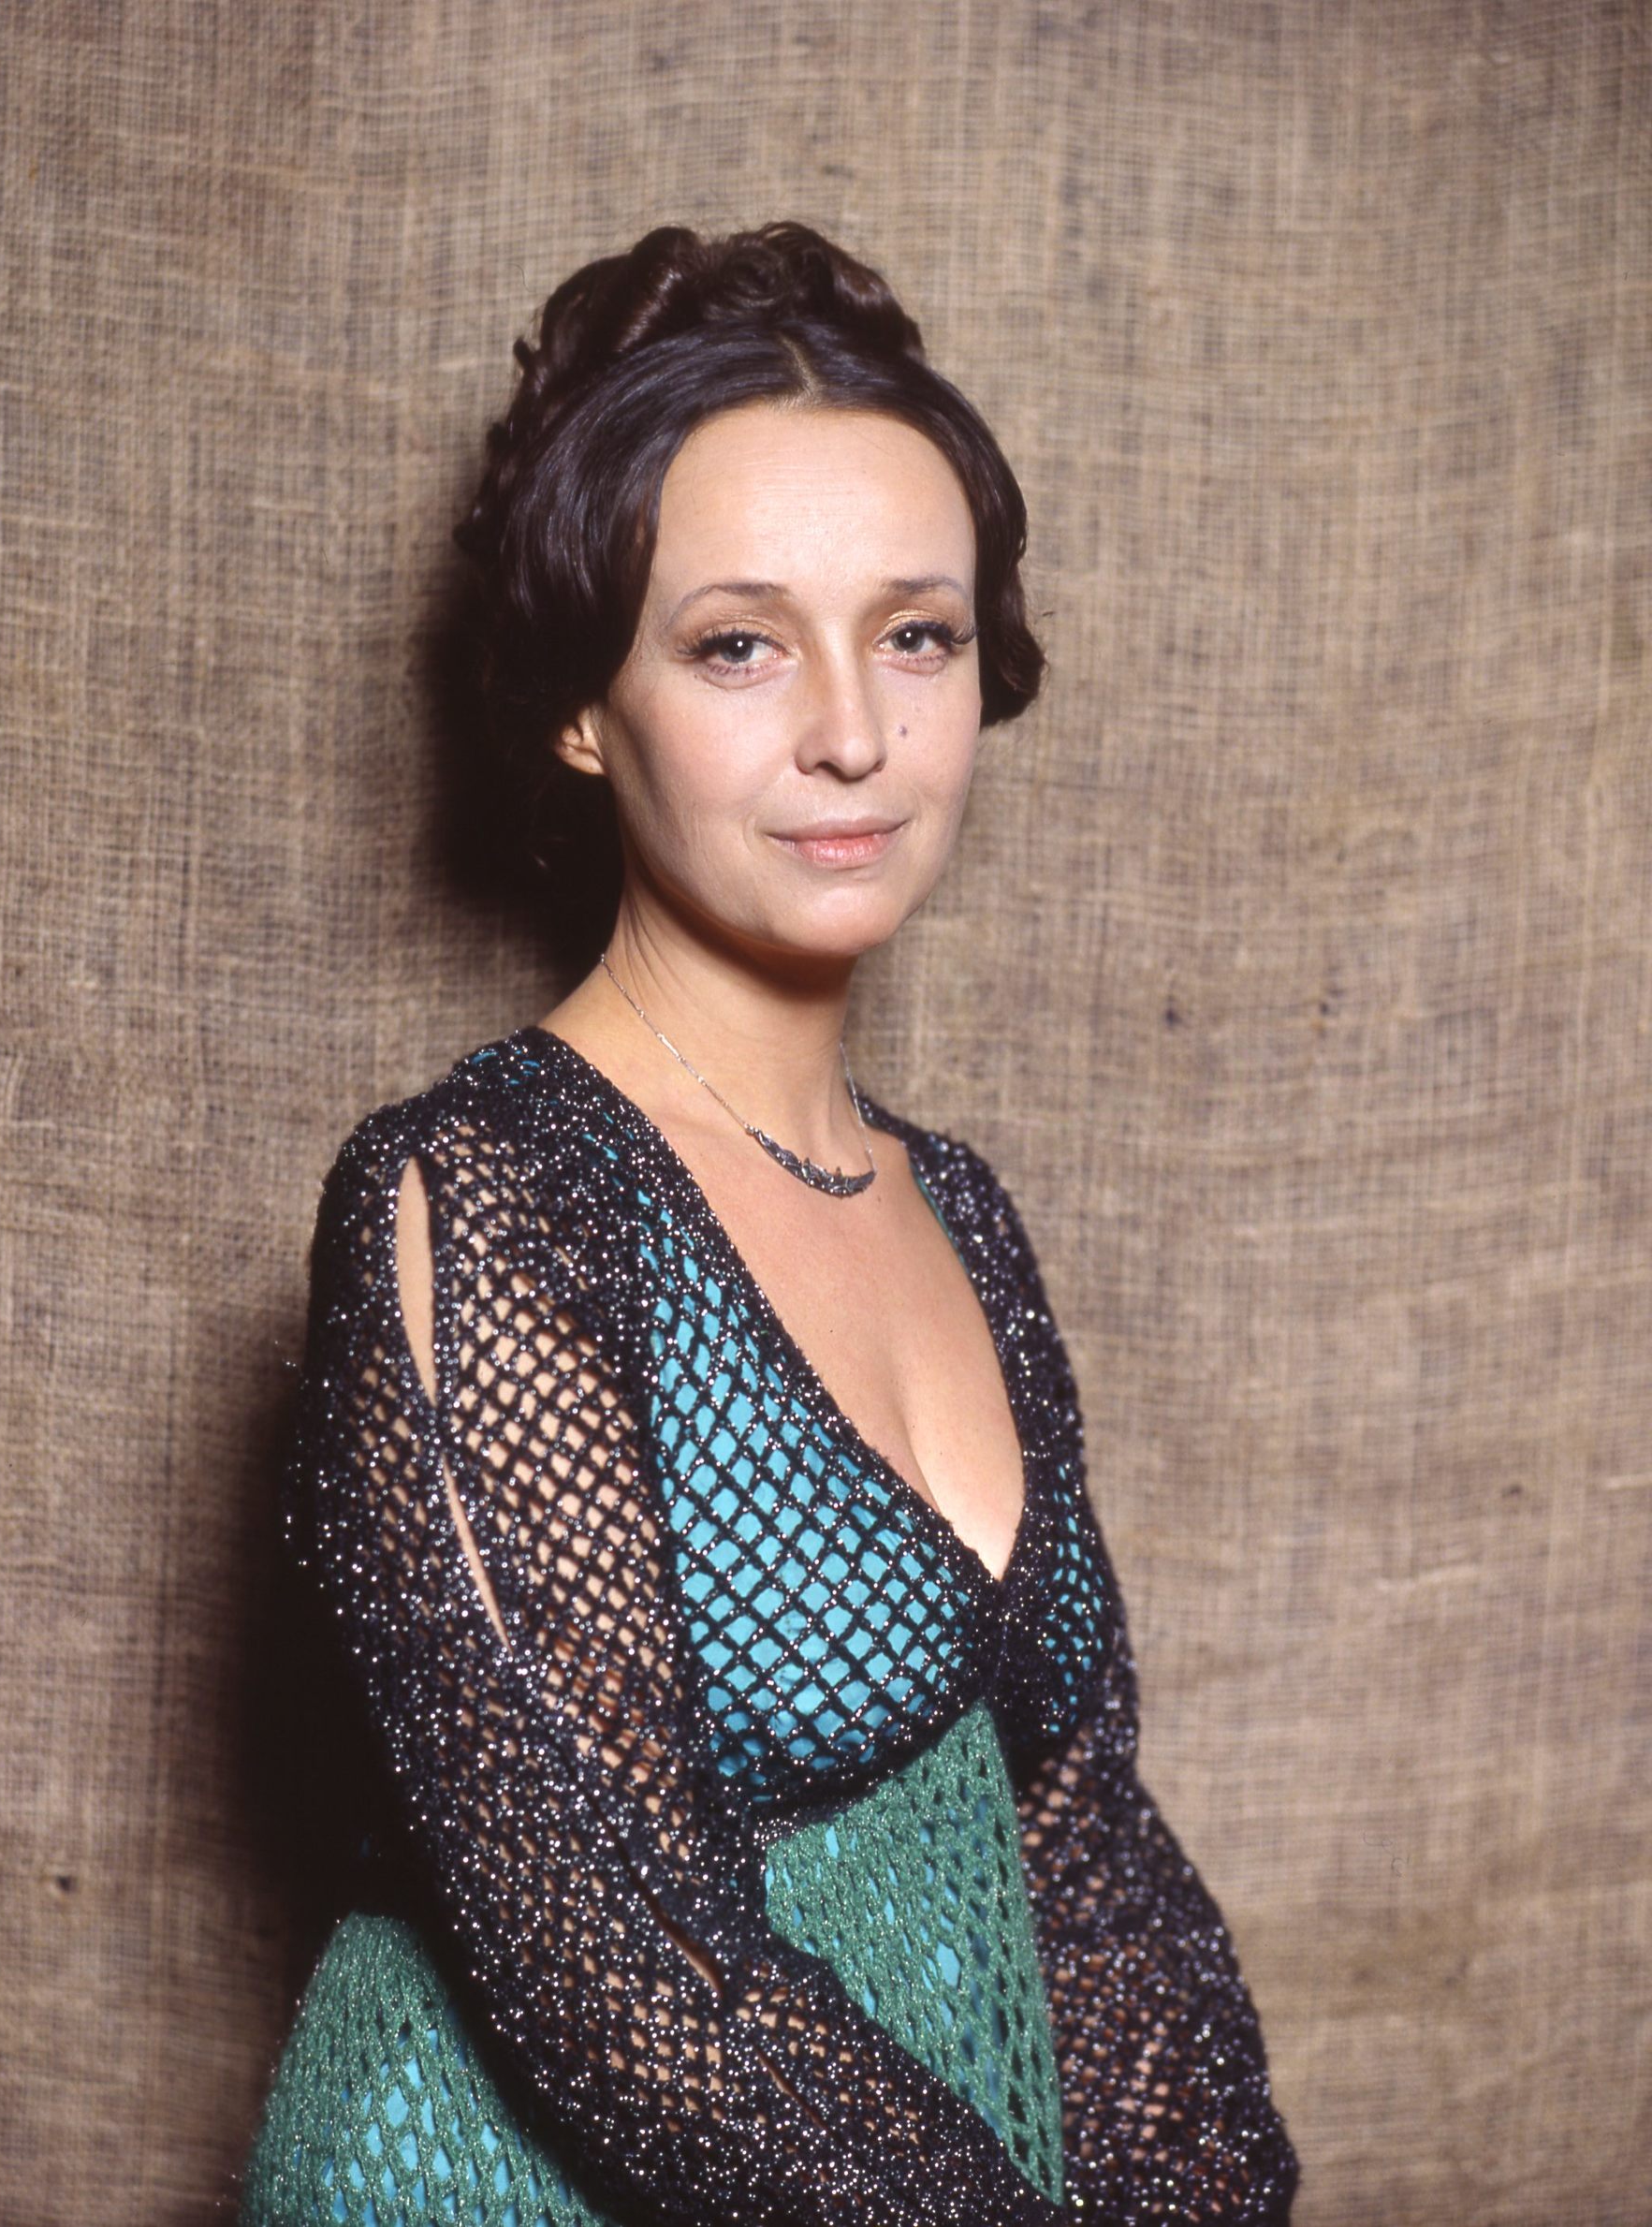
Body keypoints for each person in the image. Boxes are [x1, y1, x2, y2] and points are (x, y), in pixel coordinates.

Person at [239, 222, 1299, 2227]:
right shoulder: (484, 1199)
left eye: (918, 635)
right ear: (583, 704)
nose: (853, 732)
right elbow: (635, 1980)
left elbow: (1084, 1855)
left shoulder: (959, 1211)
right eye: (740, 643)